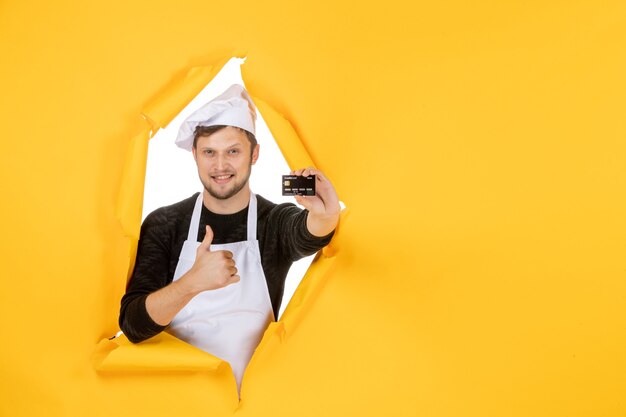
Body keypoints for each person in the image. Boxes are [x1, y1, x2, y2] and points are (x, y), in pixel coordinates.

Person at [118, 84, 340, 392]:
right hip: (176, 399)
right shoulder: (165, 223)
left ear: (255, 154)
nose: (220, 166)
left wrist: (326, 214)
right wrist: (192, 282)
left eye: (232, 151)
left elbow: (306, 234)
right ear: (194, 154)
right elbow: (133, 325)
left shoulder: (273, 222)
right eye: (209, 152)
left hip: (252, 401)